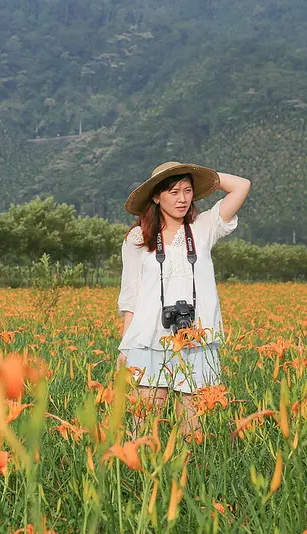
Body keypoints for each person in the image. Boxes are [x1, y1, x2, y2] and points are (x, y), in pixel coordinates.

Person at [117, 161, 250, 436]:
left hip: (197, 341)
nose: (182, 199)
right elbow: (131, 297)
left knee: (193, 430)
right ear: (156, 196)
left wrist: (203, 175)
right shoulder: (138, 238)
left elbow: (242, 186)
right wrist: (125, 348)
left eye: (188, 191)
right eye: (173, 191)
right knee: (143, 428)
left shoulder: (203, 227)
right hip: (149, 341)